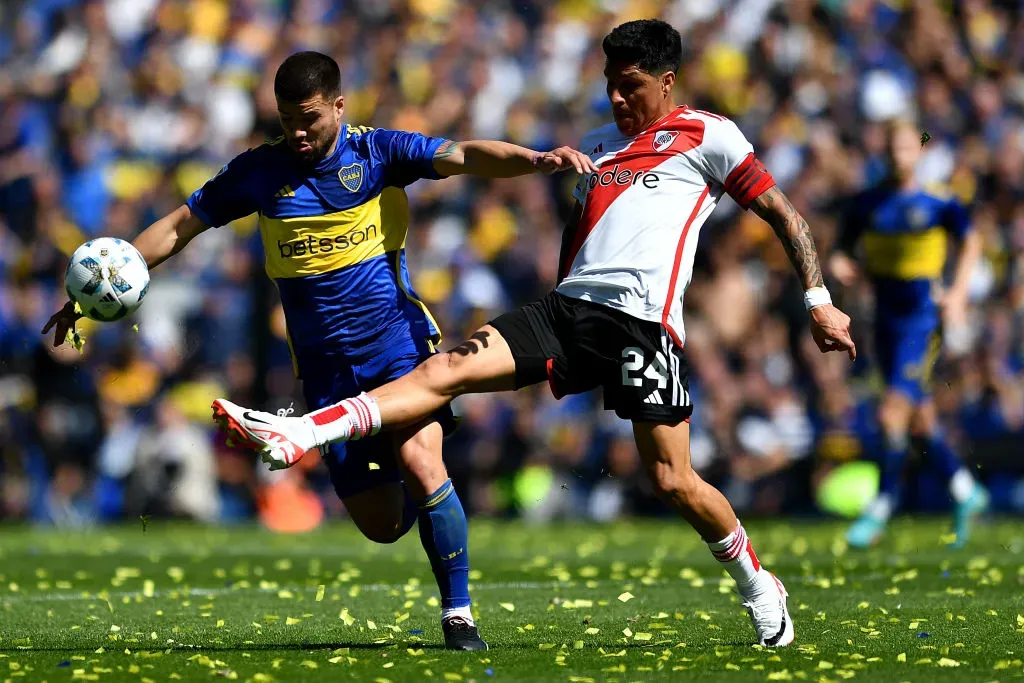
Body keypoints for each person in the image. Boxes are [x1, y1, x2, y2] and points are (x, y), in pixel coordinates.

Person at [212, 20, 857, 648]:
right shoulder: (597, 145)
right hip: (565, 311)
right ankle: (304, 430)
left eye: (629, 85)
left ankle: (756, 582)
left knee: (672, 480)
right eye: (609, 83)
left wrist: (819, 299)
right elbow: (580, 237)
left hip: (642, 325)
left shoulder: (709, 137)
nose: (615, 97)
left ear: (667, 81)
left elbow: (782, 211)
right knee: (445, 371)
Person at [41, 50, 595, 651]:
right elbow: (179, 225)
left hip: (399, 350)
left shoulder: (378, 152)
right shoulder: (260, 172)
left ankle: (458, 615)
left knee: (421, 464)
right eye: (286, 120)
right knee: (382, 525)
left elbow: (462, 155)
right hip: (328, 373)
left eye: (309, 118)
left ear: (338, 105)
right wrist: (100, 290)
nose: (298, 133)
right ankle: (437, 510)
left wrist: (535, 159)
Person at [830, 119, 989, 549]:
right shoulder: (867, 203)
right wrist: (843, 266)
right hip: (884, 318)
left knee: (890, 413)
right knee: (919, 420)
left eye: (906, 147)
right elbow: (842, 250)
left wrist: (956, 293)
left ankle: (882, 505)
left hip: (923, 319)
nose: (899, 155)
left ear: (918, 150)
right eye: (892, 148)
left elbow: (972, 242)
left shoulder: (938, 201)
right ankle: (964, 489)